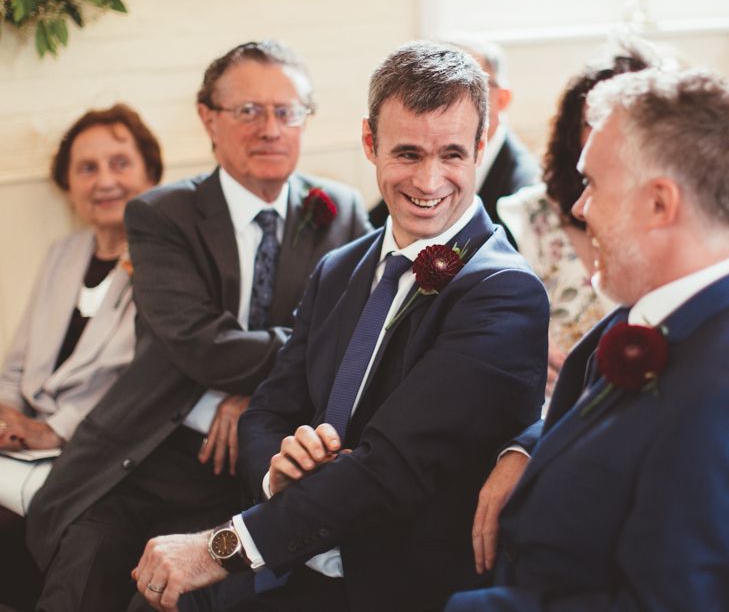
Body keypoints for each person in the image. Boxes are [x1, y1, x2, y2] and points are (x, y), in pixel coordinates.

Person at [131, 40, 549, 612]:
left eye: (452, 154)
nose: (429, 182)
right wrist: (280, 471)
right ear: (370, 144)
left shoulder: (504, 292)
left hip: (391, 580)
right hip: (296, 548)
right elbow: (269, 409)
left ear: (480, 148)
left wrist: (218, 550)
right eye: (407, 154)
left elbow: (394, 467)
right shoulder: (340, 267)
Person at [27, 40, 371, 612]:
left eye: (287, 111)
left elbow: (349, 345)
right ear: (208, 119)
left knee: (169, 599)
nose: (270, 128)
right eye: (249, 111)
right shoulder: (162, 215)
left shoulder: (341, 209)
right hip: (151, 451)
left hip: (257, 466)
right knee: (81, 571)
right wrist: (275, 366)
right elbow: (201, 346)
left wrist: (253, 401)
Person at [446, 67, 729, 611]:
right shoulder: (642, 319)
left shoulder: (715, 391)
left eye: (593, 184)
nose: (577, 209)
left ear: (659, 204)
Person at [0, 103, 162, 610]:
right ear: (68, 185)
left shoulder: (165, 262)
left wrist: (57, 429)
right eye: (87, 169)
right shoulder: (62, 254)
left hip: (100, 451)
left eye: (120, 163)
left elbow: (146, 380)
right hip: (22, 449)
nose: (104, 181)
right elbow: (16, 366)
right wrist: (5, 414)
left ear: (150, 172)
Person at [497, 43, 655, 397]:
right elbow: (494, 319)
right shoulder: (525, 216)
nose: (611, 136)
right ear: (573, 131)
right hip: (550, 403)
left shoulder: (672, 223)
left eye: (629, 121)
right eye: (594, 122)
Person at [369, 39, 539, 246]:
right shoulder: (408, 152)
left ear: (502, 99)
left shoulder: (524, 184)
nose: (429, 184)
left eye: (469, 84)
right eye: (409, 155)